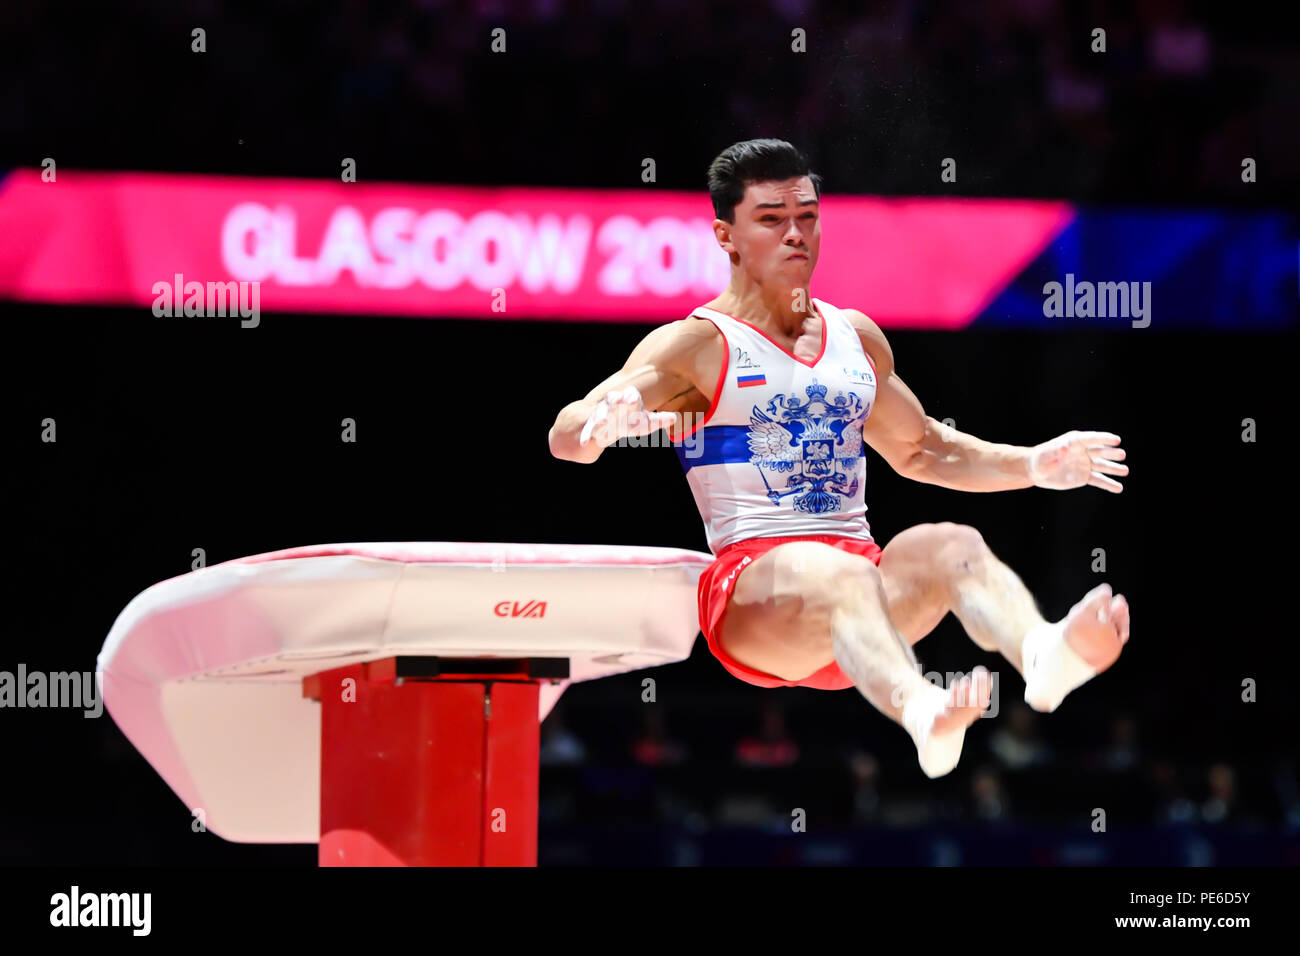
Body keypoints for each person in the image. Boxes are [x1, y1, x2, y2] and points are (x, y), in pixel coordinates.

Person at [549, 139, 1130, 778]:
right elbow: (566, 434)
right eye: (771, 218)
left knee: (951, 544)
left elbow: (922, 448)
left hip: (857, 612)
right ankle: (921, 710)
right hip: (756, 602)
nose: (796, 233)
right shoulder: (699, 344)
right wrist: (603, 426)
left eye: (808, 215)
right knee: (840, 574)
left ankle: (1041, 653)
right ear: (727, 235)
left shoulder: (856, 337)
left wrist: (1032, 465)